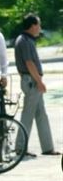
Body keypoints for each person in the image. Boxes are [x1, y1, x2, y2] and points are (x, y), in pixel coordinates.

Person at [14, 13, 57, 156]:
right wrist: (39, 81)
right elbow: (29, 63)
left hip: (31, 80)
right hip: (32, 81)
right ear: (32, 26)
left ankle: (48, 147)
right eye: (38, 24)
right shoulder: (24, 41)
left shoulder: (27, 40)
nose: (40, 28)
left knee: (41, 114)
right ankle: (20, 147)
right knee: (28, 114)